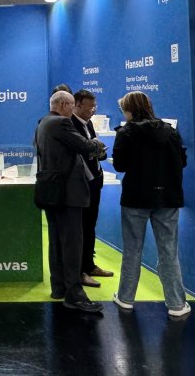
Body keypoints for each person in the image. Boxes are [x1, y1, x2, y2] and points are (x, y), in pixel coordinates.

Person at [112, 91, 191, 318]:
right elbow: (182, 161)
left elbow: (119, 165)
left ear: (129, 109)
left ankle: (126, 298)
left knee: (132, 250)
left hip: (135, 197)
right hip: (167, 197)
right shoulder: (170, 131)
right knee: (168, 251)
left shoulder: (126, 132)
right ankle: (176, 304)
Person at [34, 90, 106, 313]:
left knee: (57, 242)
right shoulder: (61, 123)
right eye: (72, 105)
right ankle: (74, 295)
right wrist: (97, 144)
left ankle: (59, 288)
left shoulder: (43, 123)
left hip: (52, 191)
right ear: (65, 105)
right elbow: (86, 146)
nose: (73, 110)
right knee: (72, 244)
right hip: (68, 193)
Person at [71, 89, 114, 288]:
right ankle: (80, 271)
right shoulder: (70, 125)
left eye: (94, 106)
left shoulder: (88, 124)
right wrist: (95, 150)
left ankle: (89, 265)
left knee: (90, 226)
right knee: (81, 228)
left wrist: (97, 151)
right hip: (81, 185)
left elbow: (98, 152)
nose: (93, 110)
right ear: (77, 105)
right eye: (90, 106)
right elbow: (83, 152)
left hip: (95, 182)